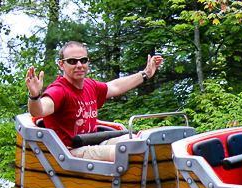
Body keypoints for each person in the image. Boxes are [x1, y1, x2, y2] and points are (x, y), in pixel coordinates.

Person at [25, 41, 163, 161]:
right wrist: (34, 95)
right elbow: (39, 110)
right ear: (62, 65)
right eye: (73, 61)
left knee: (137, 141)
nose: (79, 65)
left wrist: (145, 74)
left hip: (91, 143)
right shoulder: (59, 90)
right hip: (69, 152)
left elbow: (114, 86)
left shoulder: (90, 86)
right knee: (122, 153)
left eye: (83, 60)